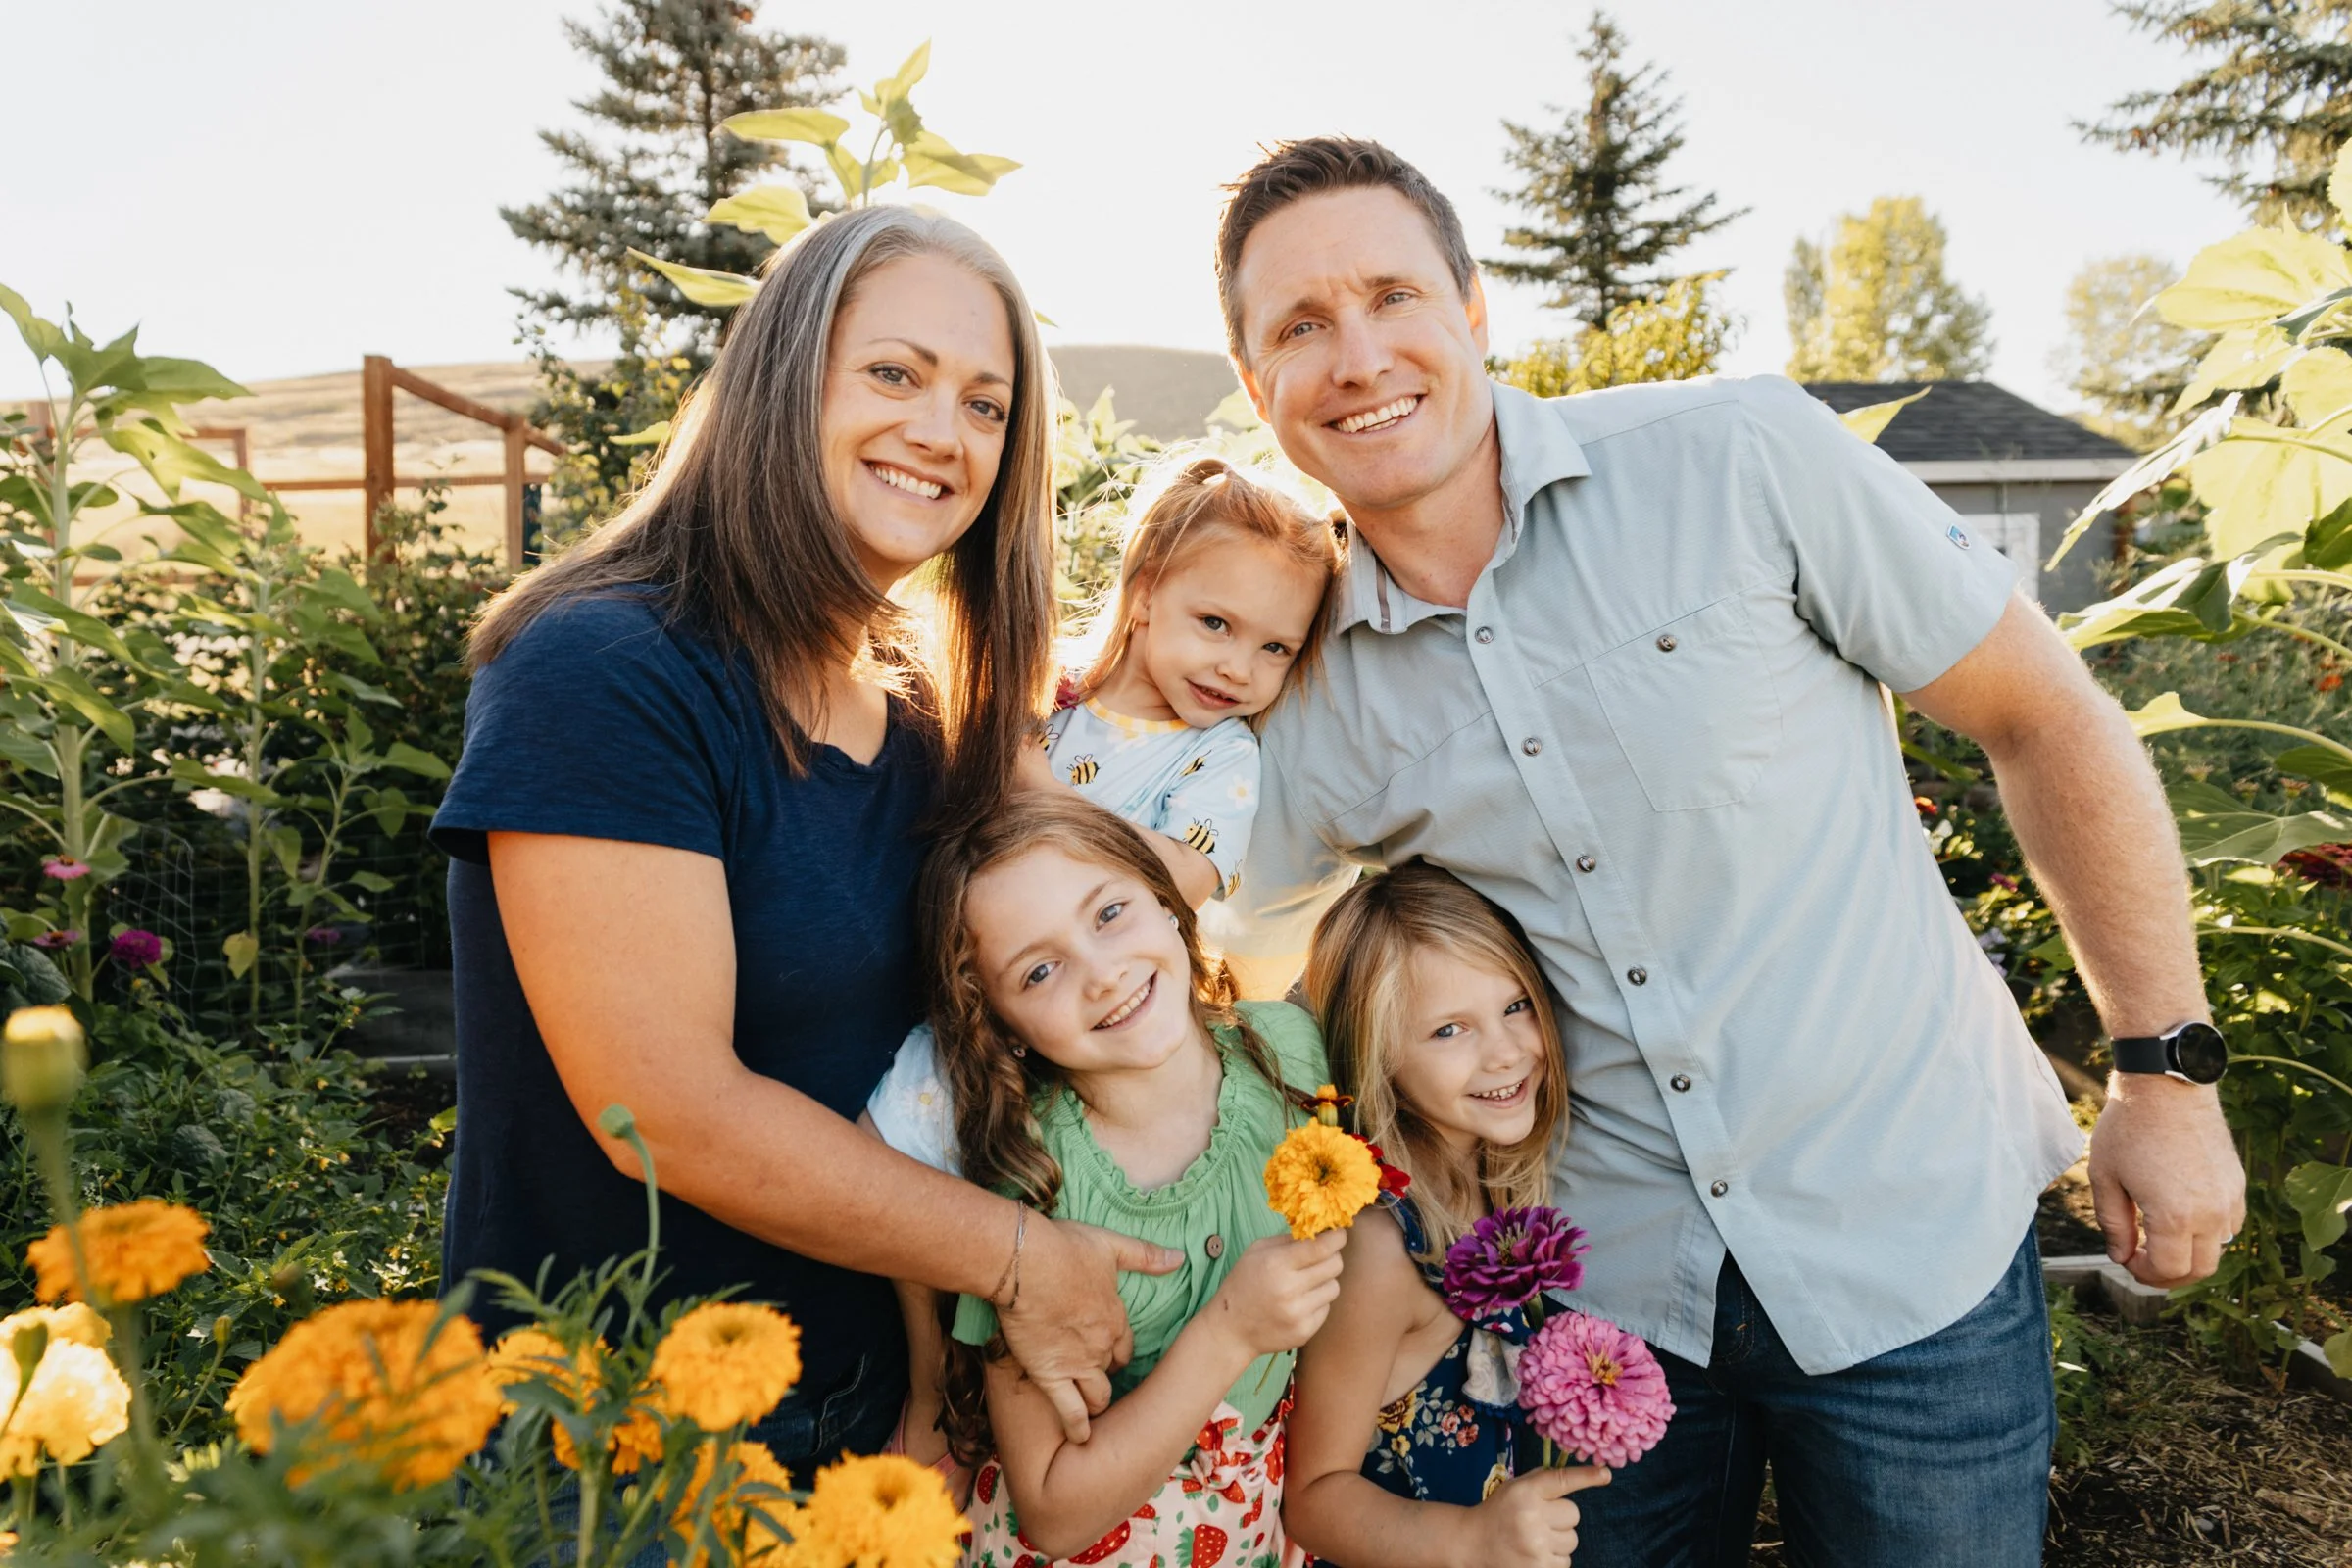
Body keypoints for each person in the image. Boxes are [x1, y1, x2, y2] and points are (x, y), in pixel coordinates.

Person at [1206, 137, 2246, 1565]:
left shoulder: (1740, 458)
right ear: (1255, 382)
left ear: (1474, 309)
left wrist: (2163, 1074)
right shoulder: (1308, 686)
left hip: (1914, 1248)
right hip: (1602, 1307)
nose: (1360, 356)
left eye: (1393, 296)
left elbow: (2045, 718)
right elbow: (1218, 962)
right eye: (1301, 327)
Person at [429, 205, 1179, 1490]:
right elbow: (666, 1114)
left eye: (987, 406)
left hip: (875, 1419)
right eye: (893, 373)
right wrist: (1017, 1262)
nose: (942, 432)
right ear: (785, 379)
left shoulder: (929, 702)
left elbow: (1113, 913)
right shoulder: (603, 670)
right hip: (619, 1446)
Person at [862, 453, 1341, 1477]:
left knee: (1041, 1200)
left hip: (1101, 1034)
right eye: (1215, 623)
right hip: (1003, 996)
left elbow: (1182, 877)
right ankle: (928, 1376)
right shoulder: (1052, 697)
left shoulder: (1218, 756)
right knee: (895, 1133)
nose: (1238, 666)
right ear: (1147, 589)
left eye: (1275, 647)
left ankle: (1067, 1420)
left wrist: (1034, 784)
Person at [915, 790, 1342, 1567]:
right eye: (1040, 971)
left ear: (1164, 899)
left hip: (1258, 1522)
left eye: (1109, 913)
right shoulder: (1030, 1182)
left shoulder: (1293, 1052)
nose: (1103, 974)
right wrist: (1230, 1331)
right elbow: (1053, 1512)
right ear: (1002, 1026)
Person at [1285, 861, 1608, 1568]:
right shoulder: (1379, 1246)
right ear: (1376, 1056)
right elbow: (1311, 1497)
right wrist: (1471, 1540)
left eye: (1516, 1005)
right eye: (1450, 1030)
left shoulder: (1489, 1182)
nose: (1507, 1052)